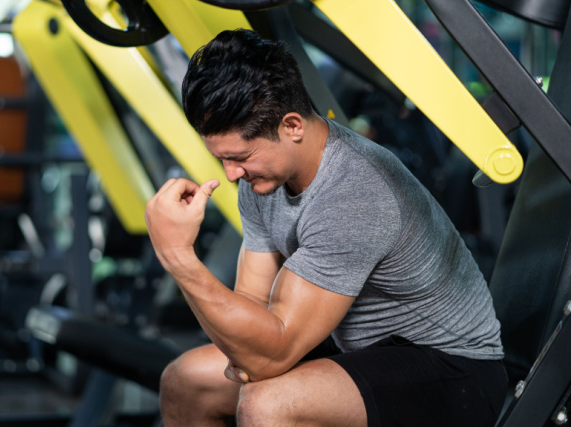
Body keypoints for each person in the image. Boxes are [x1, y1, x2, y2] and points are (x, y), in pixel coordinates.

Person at [144, 29, 508, 427]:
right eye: (224, 159)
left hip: (452, 370)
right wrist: (248, 351)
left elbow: (272, 352)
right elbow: (250, 304)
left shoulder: (356, 190)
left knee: (266, 404)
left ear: (292, 126)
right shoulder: (263, 177)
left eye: (240, 157)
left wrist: (178, 256)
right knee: (185, 381)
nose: (231, 175)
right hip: (356, 351)